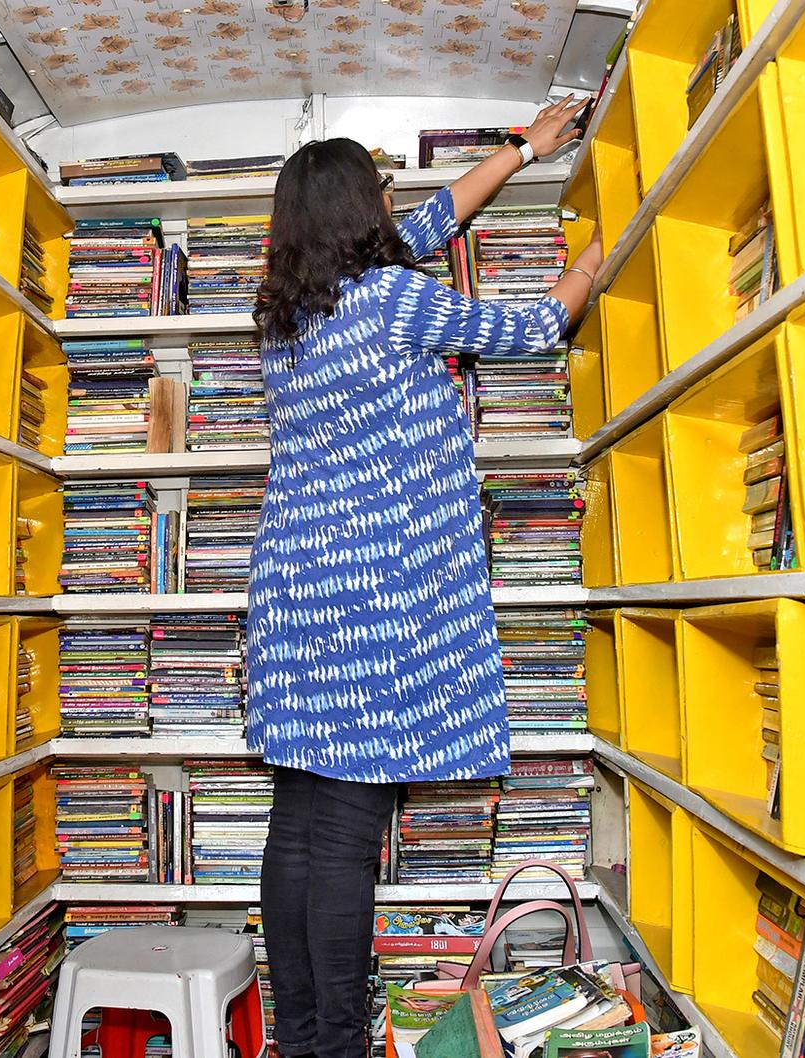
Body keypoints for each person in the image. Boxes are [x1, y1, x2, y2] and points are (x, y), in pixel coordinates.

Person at [246, 95, 603, 1058]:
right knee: (347, 840)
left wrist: (525, 149)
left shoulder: (285, 318)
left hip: (293, 603)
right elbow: (528, 329)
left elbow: (431, 222)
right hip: (373, 608)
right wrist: (587, 269)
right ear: (363, 214)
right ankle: (335, 1048)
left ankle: (306, 1038)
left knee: (300, 825)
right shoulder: (393, 300)